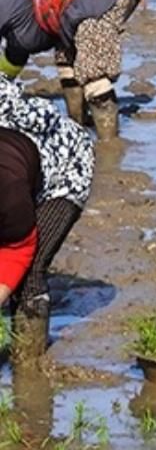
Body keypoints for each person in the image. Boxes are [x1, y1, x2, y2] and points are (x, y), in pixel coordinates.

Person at [0, 0, 143, 140]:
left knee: (94, 76)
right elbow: (21, 46)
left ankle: (109, 146)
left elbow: (24, 43)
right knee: (66, 56)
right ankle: (77, 125)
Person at [0, 73, 94, 358]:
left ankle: (28, 367)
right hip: (24, 149)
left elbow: (17, 251)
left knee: (29, 274)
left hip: (66, 167)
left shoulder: (8, 190)